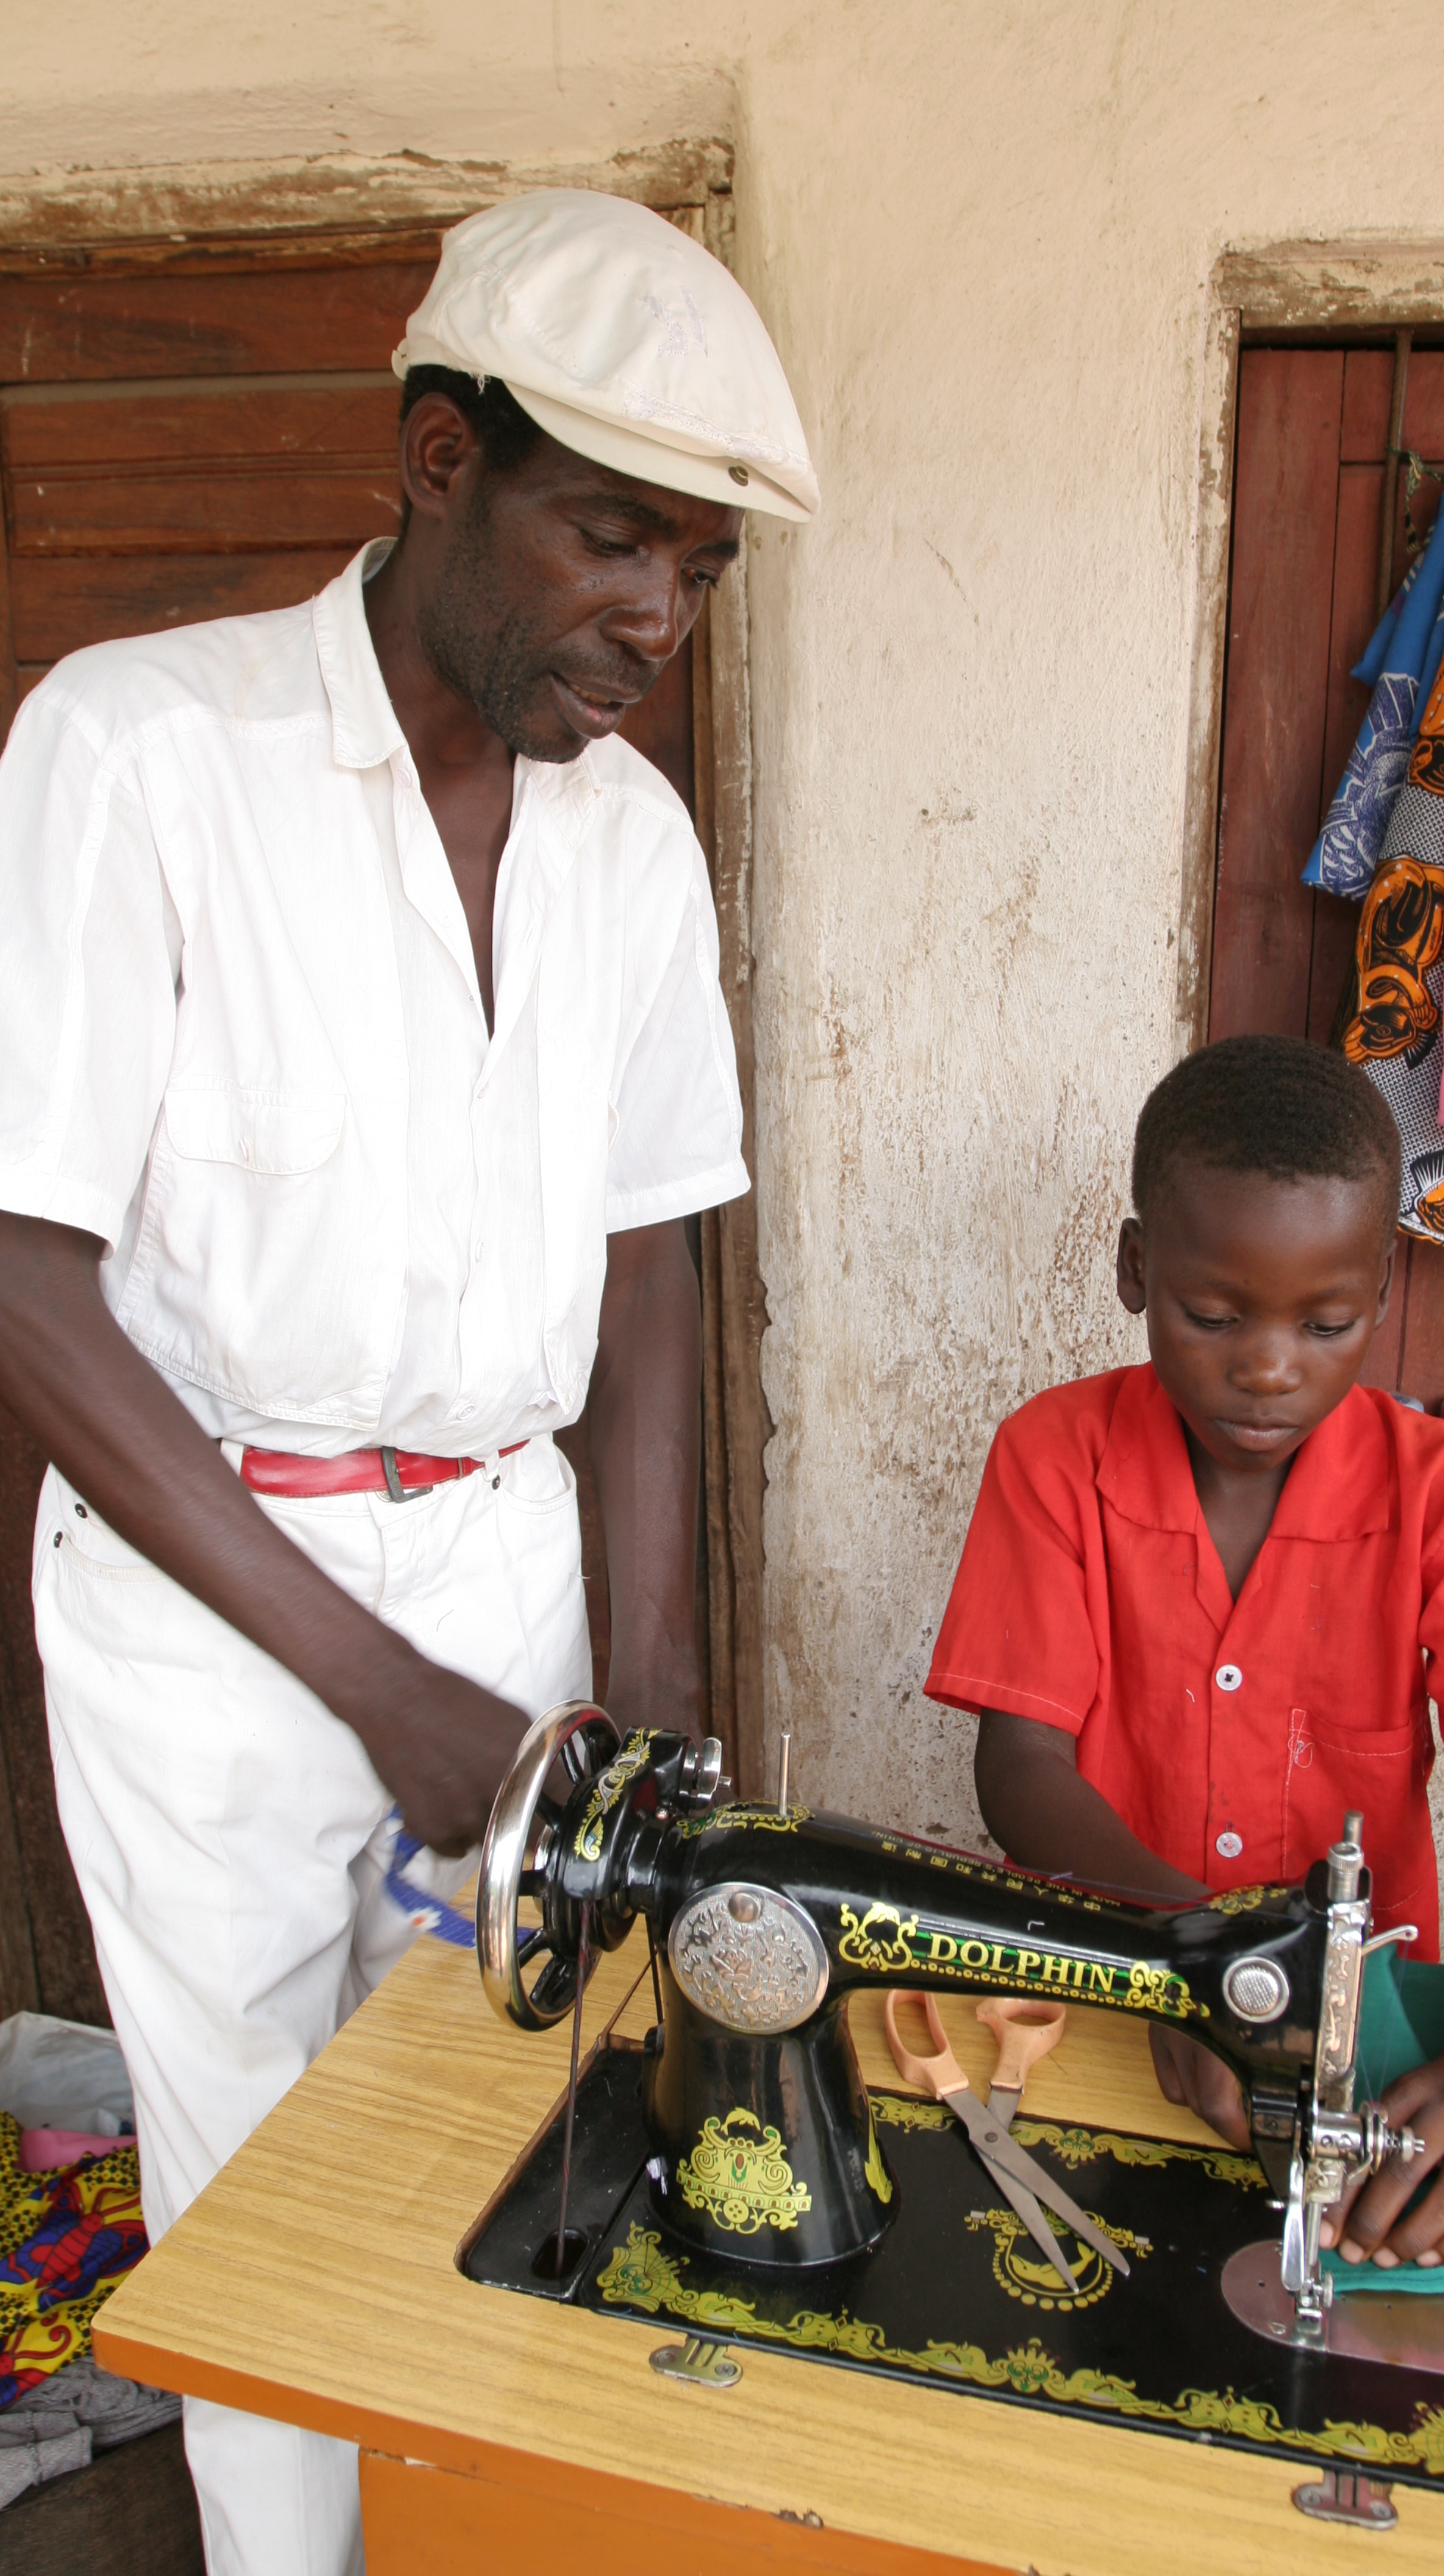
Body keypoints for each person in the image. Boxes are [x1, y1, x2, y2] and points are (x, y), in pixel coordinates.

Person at [0, 190, 817, 2575]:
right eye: (612, 536)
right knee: (257, 2185)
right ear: (438, 457)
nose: (654, 616)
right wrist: (374, 1688)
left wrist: (645, 1683)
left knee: (515, 2140)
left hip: (508, 1586)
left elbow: (655, 1252)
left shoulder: (628, 844)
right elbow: (29, 1278)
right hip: (216, 1629)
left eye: (698, 569)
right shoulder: (138, 756)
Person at [925, 1034, 1444, 2277]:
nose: (1270, 1366)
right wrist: (1189, 1960)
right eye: (1214, 1314)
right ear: (1136, 1270)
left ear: (1386, 1288)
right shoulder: (1053, 1458)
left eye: (1328, 1321)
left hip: (1357, 2044)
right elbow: (1021, 1766)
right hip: (1112, 2009)